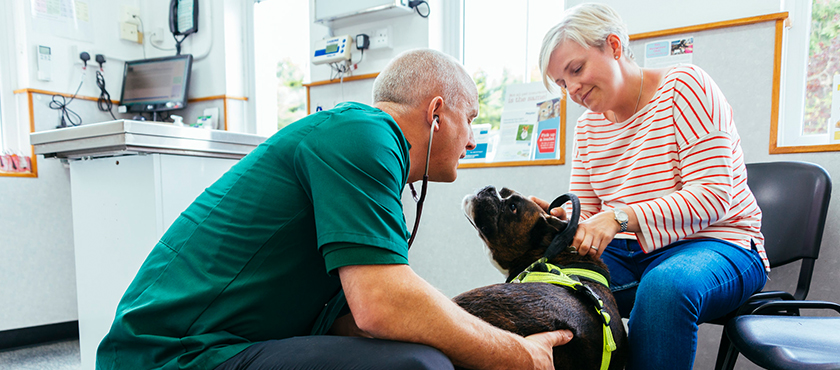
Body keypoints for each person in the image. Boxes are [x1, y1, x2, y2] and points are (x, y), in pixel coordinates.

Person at [95, 48, 572, 370]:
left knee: (424, 348)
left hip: (220, 342)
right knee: (423, 366)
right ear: (436, 112)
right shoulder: (364, 135)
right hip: (168, 354)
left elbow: (354, 318)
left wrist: (472, 335)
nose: (471, 138)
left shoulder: (364, 148)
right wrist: (514, 354)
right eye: (470, 120)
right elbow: (380, 306)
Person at [531, 4, 769, 370]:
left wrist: (619, 217)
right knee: (544, 277)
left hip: (721, 244)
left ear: (613, 45)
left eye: (576, 70)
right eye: (562, 83)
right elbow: (594, 215)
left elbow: (713, 196)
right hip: (629, 252)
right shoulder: (587, 128)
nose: (572, 89)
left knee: (664, 288)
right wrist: (567, 219)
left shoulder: (685, 87)